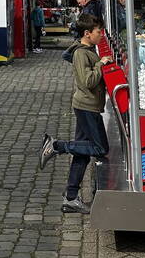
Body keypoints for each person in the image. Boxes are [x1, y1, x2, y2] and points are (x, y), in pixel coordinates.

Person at [38, 14, 112, 214]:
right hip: (86, 106)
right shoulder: (82, 54)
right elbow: (86, 81)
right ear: (87, 33)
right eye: (98, 32)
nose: (101, 35)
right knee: (99, 148)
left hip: (89, 105)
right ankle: (56, 146)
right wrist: (101, 64)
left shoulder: (87, 49)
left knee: (82, 153)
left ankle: (70, 198)